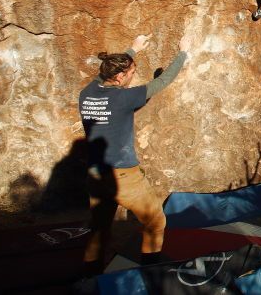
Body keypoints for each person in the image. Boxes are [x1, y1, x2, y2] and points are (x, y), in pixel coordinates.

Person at [79, 33, 191, 275]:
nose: (132, 76)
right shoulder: (122, 98)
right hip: (123, 177)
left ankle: (89, 278)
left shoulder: (87, 93)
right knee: (155, 221)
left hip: (95, 174)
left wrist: (133, 49)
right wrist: (183, 53)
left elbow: (104, 72)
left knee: (99, 229)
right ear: (120, 77)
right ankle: (150, 273)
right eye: (130, 73)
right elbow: (161, 83)